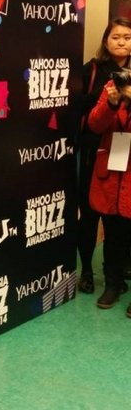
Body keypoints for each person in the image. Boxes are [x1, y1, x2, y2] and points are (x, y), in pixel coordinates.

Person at [77, 17, 131, 294]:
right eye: (115, 37)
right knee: (89, 215)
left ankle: (117, 272)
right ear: (106, 41)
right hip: (94, 152)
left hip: (127, 158)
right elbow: (80, 107)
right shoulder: (93, 70)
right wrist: (109, 98)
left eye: (127, 37)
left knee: (122, 218)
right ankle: (86, 270)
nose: (121, 42)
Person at [87, 65, 131, 312]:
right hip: (112, 174)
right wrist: (112, 104)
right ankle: (113, 284)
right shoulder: (113, 86)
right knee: (113, 235)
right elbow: (94, 124)